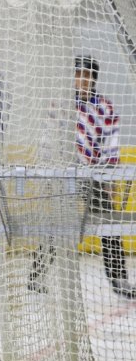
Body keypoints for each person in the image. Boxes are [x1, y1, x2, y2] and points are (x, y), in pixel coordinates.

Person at [73, 56, 136, 299]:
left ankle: (118, 279)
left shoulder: (105, 107)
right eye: (79, 74)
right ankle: (36, 276)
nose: (83, 79)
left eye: (88, 75)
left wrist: (110, 180)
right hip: (66, 172)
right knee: (60, 225)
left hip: (94, 175)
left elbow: (111, 145)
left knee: (109, 224)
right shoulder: (62, 104)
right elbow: (50, 139)